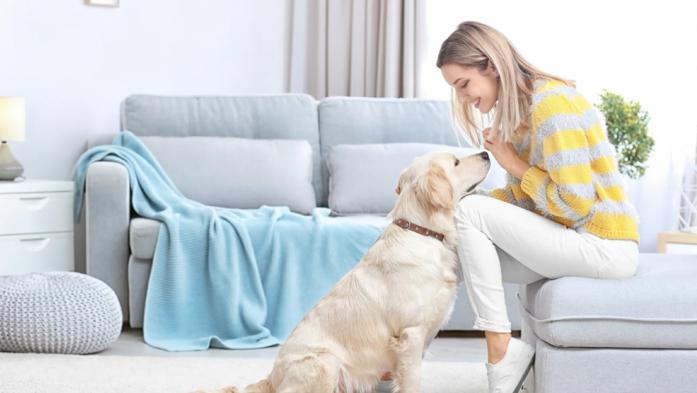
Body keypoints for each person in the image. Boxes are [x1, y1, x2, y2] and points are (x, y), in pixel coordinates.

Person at [437, 21, 640, 393]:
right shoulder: (519, 116)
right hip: (571, 239)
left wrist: (512, 164)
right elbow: (523, 202)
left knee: (468, 211)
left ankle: (500, 350)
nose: (463, 98)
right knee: (450, 251)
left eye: (463, 84)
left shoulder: (551, 104)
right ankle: (394, 357)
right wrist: (453, 209)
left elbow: (575, 205)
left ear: (491, 67)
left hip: (603, 245)